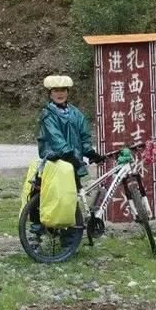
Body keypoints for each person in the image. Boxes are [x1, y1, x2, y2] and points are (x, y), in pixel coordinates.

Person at [31, 75, 105, 245]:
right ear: (50, 94)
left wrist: (91, 153)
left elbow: (84, 137)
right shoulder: (47, 115)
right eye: (56, 90)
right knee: (45, 197)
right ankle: (36, 233)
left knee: (71, 200)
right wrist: (69, 154)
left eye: (63, 90)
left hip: (73, 163)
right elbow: (55, 138)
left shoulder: (76, 114)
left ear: (68, 92)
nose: (60, 94)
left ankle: (70, 240)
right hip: (54, 162)